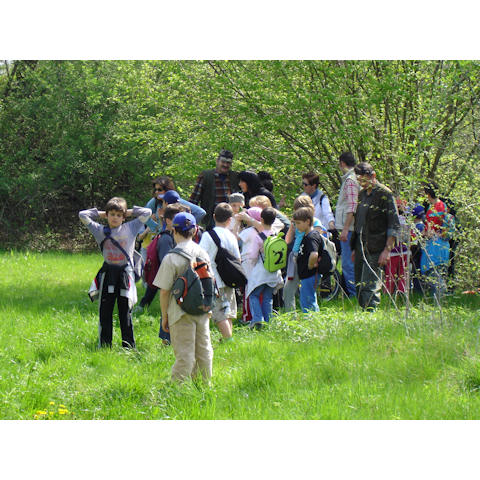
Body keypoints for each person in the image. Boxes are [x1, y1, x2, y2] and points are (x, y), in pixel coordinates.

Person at [79, 198, 152, 348]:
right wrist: (101, 214)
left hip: (125, 274)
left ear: (124, 217)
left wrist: (128, 211)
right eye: (112, 214)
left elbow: (147, 212)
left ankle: (129, 346)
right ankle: (105, 346)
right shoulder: (99, 230)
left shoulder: (131, 227)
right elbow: (82, 215)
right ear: (107, 215)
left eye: (119, 215)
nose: (115, 217)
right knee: (105, 311)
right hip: (108, 274)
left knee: (125, 311)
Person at [153, 212, 214, 383]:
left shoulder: (171, 257)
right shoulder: (203, 253)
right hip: (202, 309)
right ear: (195, 231)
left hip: (179, 312)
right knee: (204, 350)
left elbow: (164, 291)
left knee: (184, 353)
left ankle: (177, 388)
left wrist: (164, 316)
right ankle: (204, 384)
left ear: (174, 231)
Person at [350, 162, 400, 311]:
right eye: (359, 181)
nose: (362, 184)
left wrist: (387, 250)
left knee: (370, 285)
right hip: (360, 245)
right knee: (359, 284)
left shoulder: (385, 194)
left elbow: (394, 224)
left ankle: (371, 313)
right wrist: (354, 248)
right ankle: (364, 313)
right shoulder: (361, 195)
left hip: (377, 246)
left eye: (364, 180)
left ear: (373, 176)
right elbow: (358, 223)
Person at [199, 203, 241, 341]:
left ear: (214, 217)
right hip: (229, 278)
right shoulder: (231, 237)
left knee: (219, 314)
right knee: (227, 311)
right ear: (230, 219)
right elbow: (238, 259)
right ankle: (227, 338)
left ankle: (229, 340)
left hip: (213, 279)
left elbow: (200, 256)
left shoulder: (208, 235)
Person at [283, 195, 326, 312]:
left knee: (307, 293)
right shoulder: (297, 223)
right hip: (296, 257)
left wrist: (311, 263)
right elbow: (287, 240)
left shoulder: (314, 223)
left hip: (307, 260)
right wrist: (293, 226)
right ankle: (290, 315)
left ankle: (311, 316)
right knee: (288, 289)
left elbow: (315, 243)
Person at [244, 207, 283, 329]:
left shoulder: (259, 237)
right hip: (274, 272)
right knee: (267, 297)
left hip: (261, 271)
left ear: (261, 220)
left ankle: (257, 319)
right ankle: (268, 321)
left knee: (253, 295)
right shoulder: (277, 235)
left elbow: (253, 256)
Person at [292, 207, 331, 313]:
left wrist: (309, 265)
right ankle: (313, 319)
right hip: (307, 275)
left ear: (308, 221)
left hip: (310, 274)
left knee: (307, 300)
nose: (296, 226)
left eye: (298, 223)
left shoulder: (312, 237)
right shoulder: (307, 235)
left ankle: (311, 320)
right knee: (308, 297)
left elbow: (314, 254)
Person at [189, 149, 239, 229]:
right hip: (211, 218)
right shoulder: (206, 176)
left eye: (228, 163)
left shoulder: (235, 177)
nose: (225, 165)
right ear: (217, 161)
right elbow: (194, 199)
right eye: (223, 162)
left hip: (231, 218)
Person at [335, 152, 360, 298]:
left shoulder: (350, 180)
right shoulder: (353, 178)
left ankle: (354, 295)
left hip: (349, 229)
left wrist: (345, 229)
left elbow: (352, 206)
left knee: (348, 264)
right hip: (350, 228)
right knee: (350, 262)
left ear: (342, 163)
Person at [420, 181, 450, 298]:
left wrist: (431, 233)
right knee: (430, 275)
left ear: (428, 193)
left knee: (436, 274)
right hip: (430, 243)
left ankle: (438, 303)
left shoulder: (439, 206)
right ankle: (433, 302)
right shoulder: (431, 206)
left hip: (437, 245)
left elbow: (440, 227)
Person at [384, 198, 409, 296]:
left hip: (393, 251)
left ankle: (388, 292)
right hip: (405, 250)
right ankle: (401, 293)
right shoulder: (407, 221)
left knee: (390, 274)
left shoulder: (390, 220)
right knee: (403, 274)